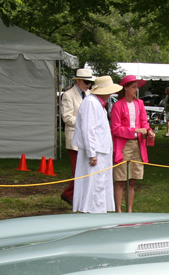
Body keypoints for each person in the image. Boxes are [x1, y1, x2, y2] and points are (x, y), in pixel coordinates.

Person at [71, 75, 120, 213]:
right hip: (95, 152)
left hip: (101, 151)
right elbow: (88, 129)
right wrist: (92, 153)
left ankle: (98, 210)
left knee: (100, 183)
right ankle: (91, 210)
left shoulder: (98, 104)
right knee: (93, 184)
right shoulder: (91, 103)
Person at [110, 75, 155, 213]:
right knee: (120, 180)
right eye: (134, 87)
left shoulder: (139, 103)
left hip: (138, 144)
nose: (137, 90)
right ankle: (118, 211)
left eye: (137, 87)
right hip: (123, 146)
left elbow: (144, 123)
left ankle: (129, 211)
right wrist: (134, 130)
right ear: (126, 88)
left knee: (133, 180)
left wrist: (149, 131)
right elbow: (115, 129)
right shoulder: (117, 105)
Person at [59, 68, 94, 204]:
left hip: (87, 138)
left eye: (90, 82)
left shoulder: (89, 94)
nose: (88, 85)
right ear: (78, 80)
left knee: (85, 170)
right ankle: (72, 195)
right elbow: (67, 118)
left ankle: (71, 194)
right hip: (74, 138)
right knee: (78, 171)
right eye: (86, 82)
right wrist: (84, 122)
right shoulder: (68, 95)